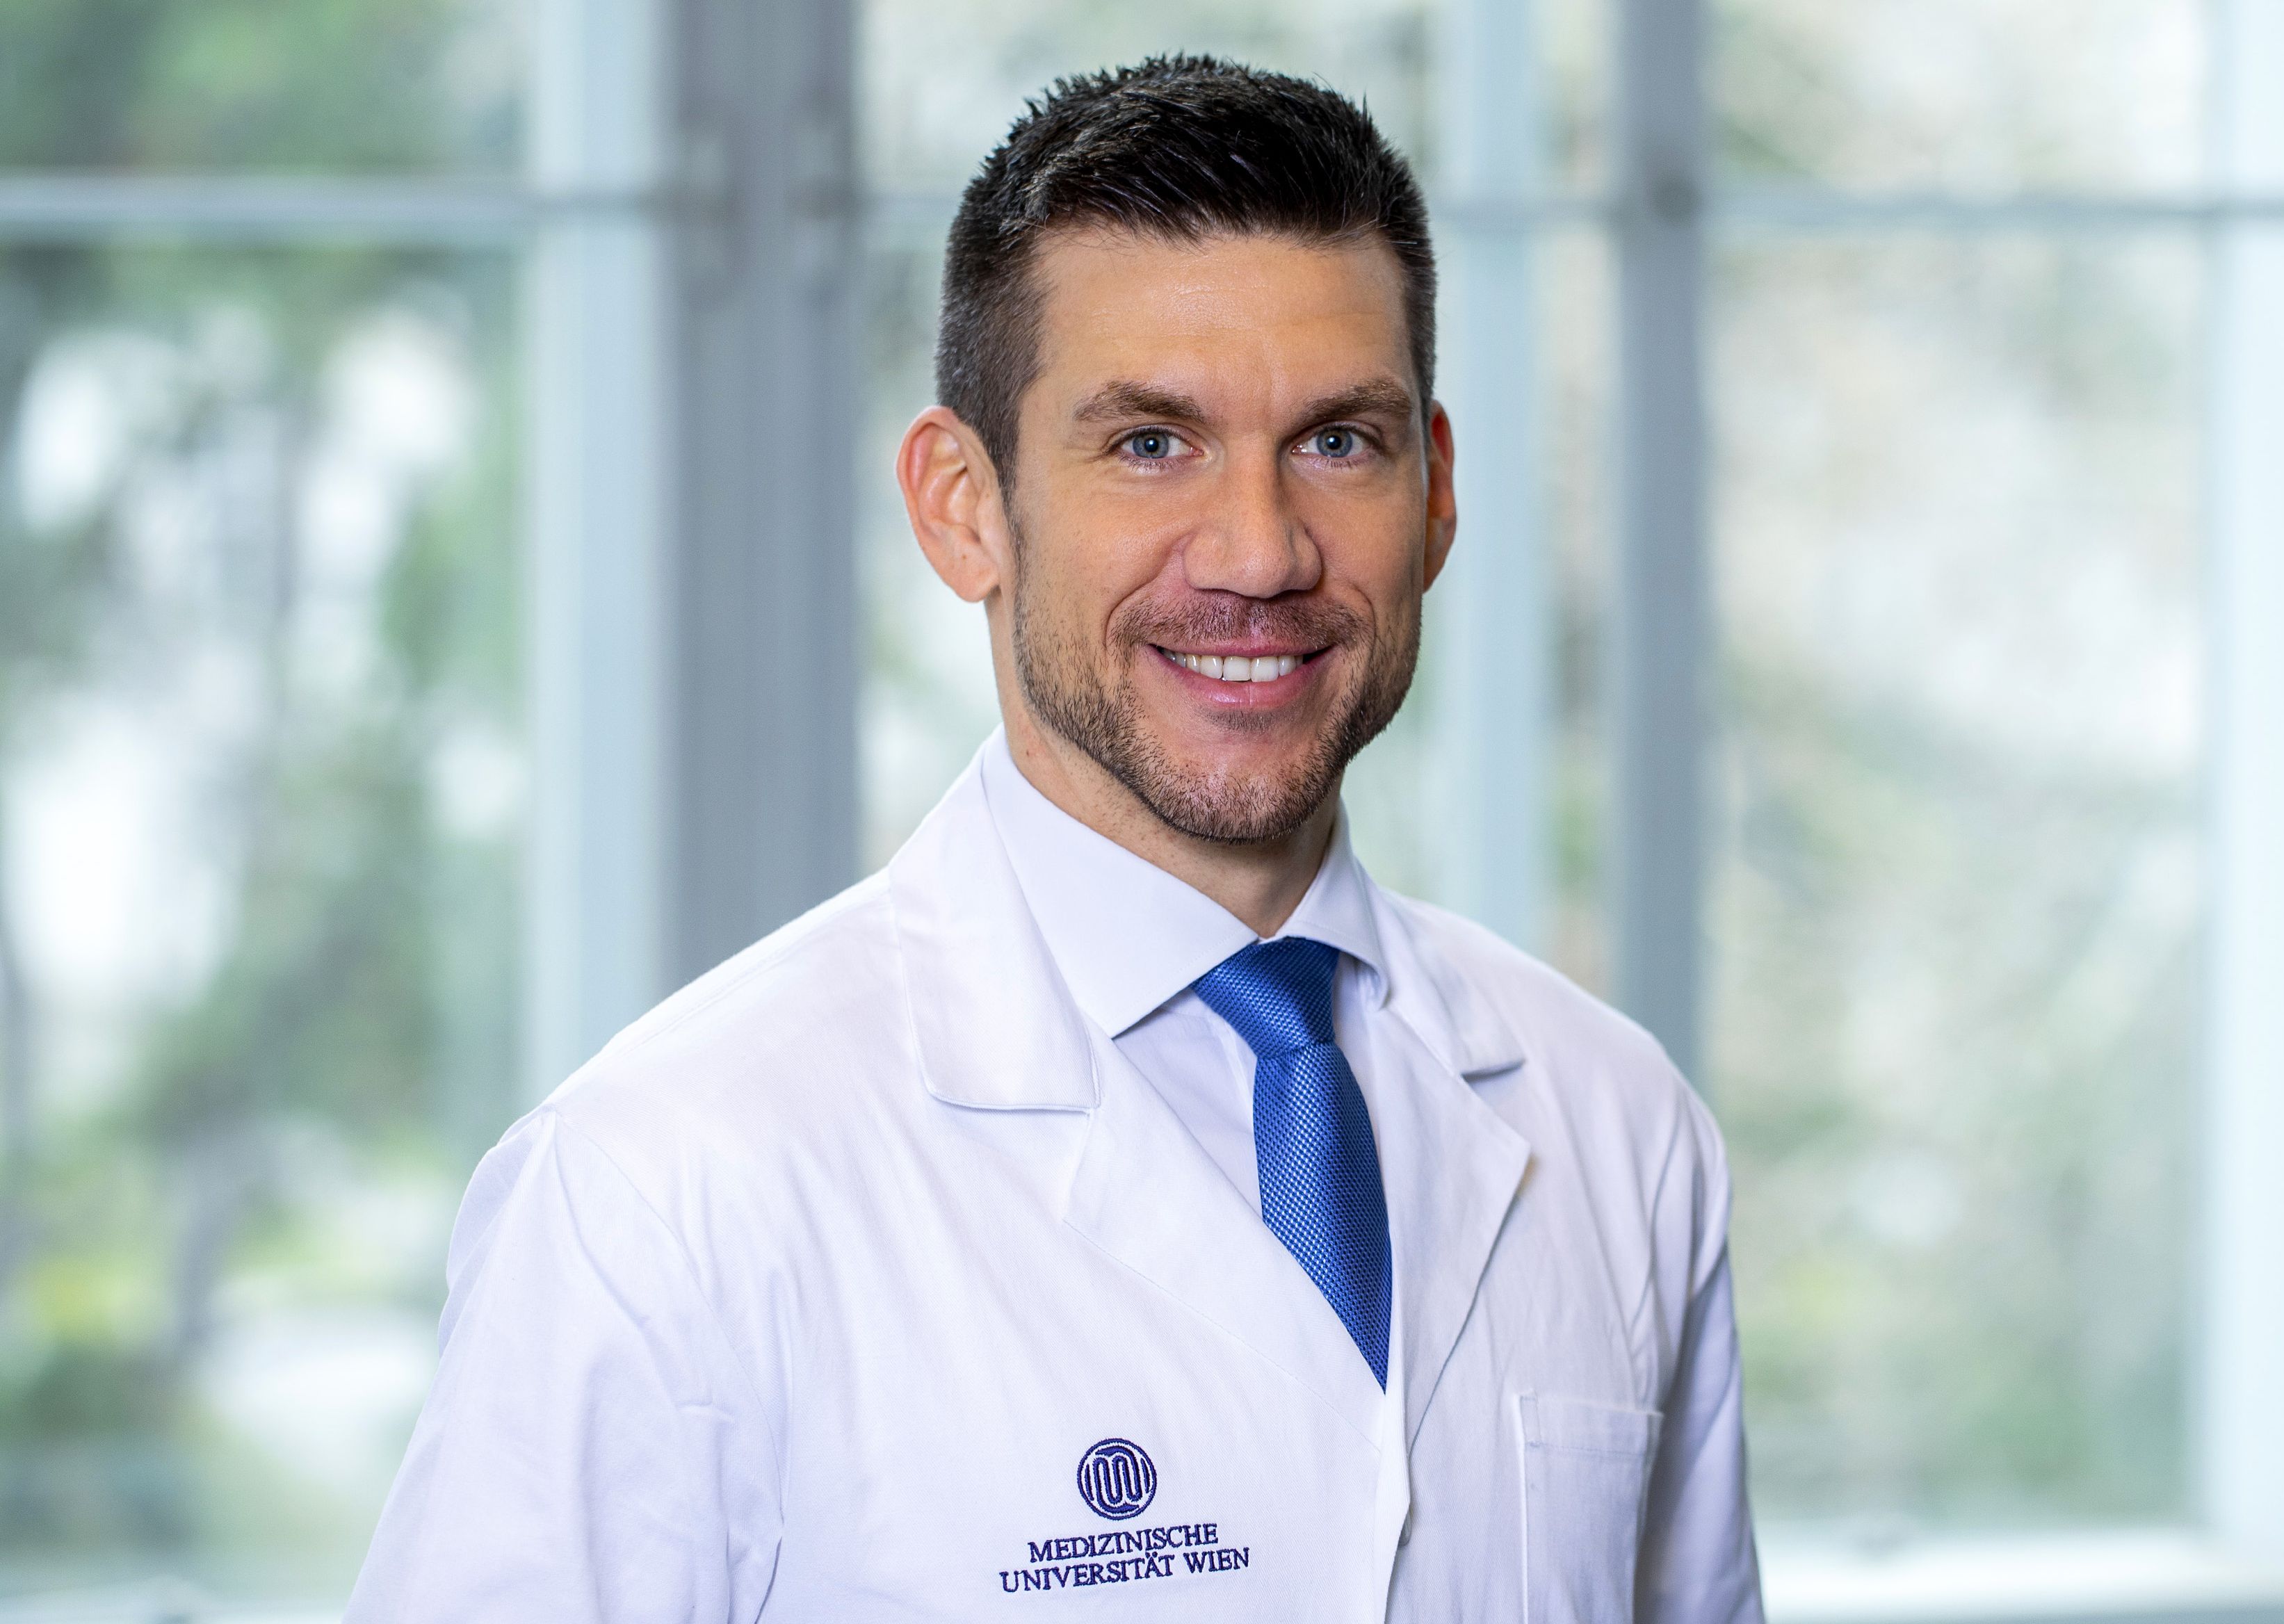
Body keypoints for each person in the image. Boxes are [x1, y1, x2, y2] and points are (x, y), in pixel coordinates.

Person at [347, 56, 1760, 1623]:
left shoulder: (1619, 1125)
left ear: (1434, 496)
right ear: (965, 507)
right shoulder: (665, 1187)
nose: (1260, 553)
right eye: (1151, 442)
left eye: (1337, 442)